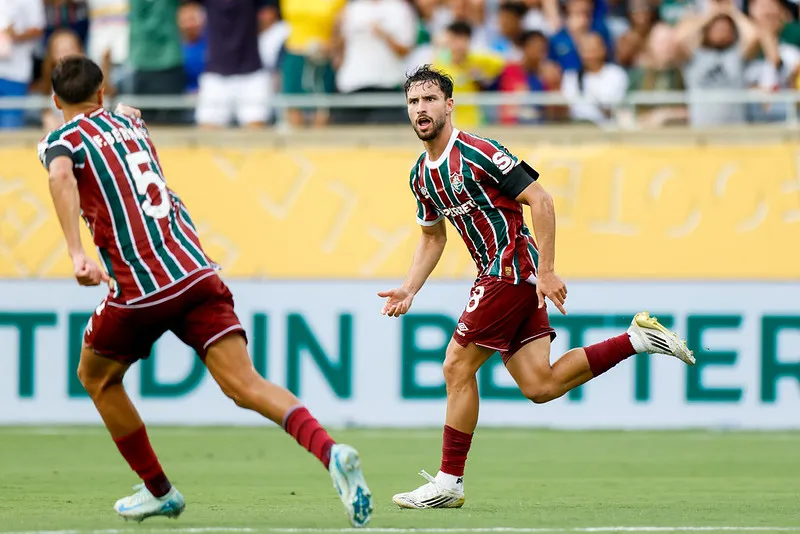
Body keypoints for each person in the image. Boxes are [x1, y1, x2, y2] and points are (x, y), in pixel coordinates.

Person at [37, 56, 373, 527]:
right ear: (102, 92)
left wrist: (76, 253)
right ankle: (330, 450)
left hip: (142, 286)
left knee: (96, 377)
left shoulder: (60, 141)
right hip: (196, 270)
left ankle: (160, 491)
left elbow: (59, 175)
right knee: (245, 384)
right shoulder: (131, 120)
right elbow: (126, 112)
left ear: (54, 101)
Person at [380, 65, 696, 509]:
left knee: (456, 367)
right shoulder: (421, 176)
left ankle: (449, 482)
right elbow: (433, 236)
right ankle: (637, 338)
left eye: (430, 99)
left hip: (508, 269)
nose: (421, 109)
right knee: (540, 385)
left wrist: (546, 271)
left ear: (449, 105)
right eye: (414, 102)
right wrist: (410, 289)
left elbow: (541, 199)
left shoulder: (479, 152)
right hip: (504, 275)